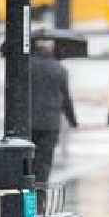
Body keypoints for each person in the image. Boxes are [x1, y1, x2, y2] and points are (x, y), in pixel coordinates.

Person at [31, 40, 78, 184]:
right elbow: (66, 98)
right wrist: (72, 120)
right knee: (44, 162)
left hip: (29, 121)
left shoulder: (27, 66)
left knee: (28, 162)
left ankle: (28, 196)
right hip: (50, 123)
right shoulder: (60, 69)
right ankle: (41, 197)